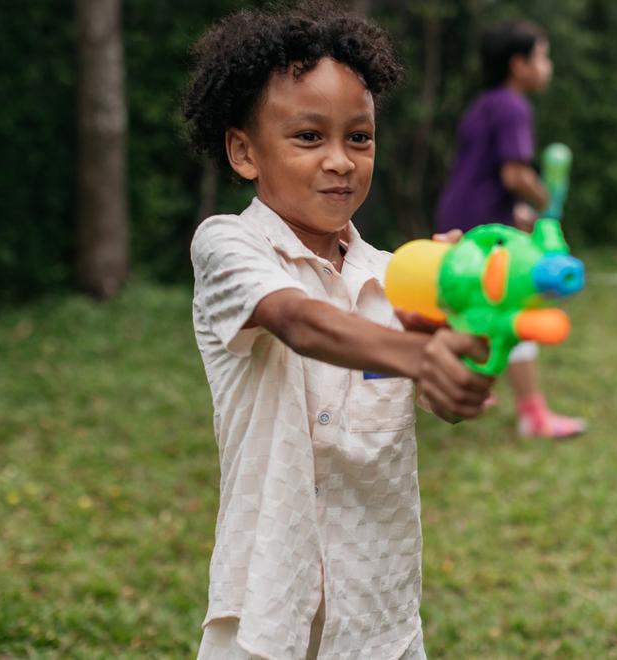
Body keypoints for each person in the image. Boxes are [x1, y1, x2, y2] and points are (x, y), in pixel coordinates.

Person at [181, 5, 494, 658]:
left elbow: (447, 399)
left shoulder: (394, 277)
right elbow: (298, 320)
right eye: (307, 137)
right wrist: (418, 348)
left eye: (359, 138)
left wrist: (463, 326)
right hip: (267, 604)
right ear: (244, 151)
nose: (340, 161)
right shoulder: (227, 244)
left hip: (377, 613)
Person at [435, 20, 586, 440]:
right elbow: (514, 173)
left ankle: (466, 386)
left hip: (459, 216)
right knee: (517, 308)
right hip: (485, 227)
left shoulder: (483, 103)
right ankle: (533, 415)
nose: (547, 66)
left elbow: (486, 172)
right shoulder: (514, 106)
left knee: (464, 308)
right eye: (542, 56)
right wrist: (545, 205)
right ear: (518, 64)